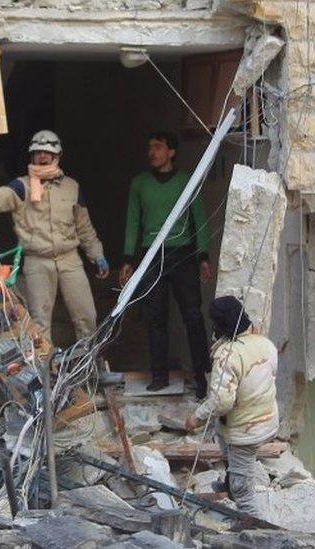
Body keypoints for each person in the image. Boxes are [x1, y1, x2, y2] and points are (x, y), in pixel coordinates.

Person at [0, 130, 109, 344]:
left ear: (57, 156)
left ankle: (89, 368)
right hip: (38, 262)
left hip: (70, 259)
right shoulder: (21, 187)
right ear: (31, 157)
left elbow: (84, 226)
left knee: (86, 316)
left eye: (47, 153)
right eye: (37, 153)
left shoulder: (72, 187)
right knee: (40, 323)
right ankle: (46, 375)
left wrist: (97, 255)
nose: (42, 157)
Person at [119, 131, 213, 396]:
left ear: (171, 152)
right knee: (156, 317)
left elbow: (199, 219)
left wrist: (203, 256)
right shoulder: (140, 184)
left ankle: (201, 376)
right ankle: (159, 375)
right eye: (150, 147)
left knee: (193, 316)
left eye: (158, 147)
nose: (152, 152)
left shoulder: (186, 182)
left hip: (182, 254)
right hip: (152, 254)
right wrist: (128, 259)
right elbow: (133, 222)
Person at [183, 295, 279, 520]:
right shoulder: (265, 343)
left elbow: (221, 402)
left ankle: (252, 526)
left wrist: (196, 418)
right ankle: (231, 477)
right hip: (267, 419)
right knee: (220, 429)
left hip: (246, 430)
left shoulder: (228, 354)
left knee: (243, 491)